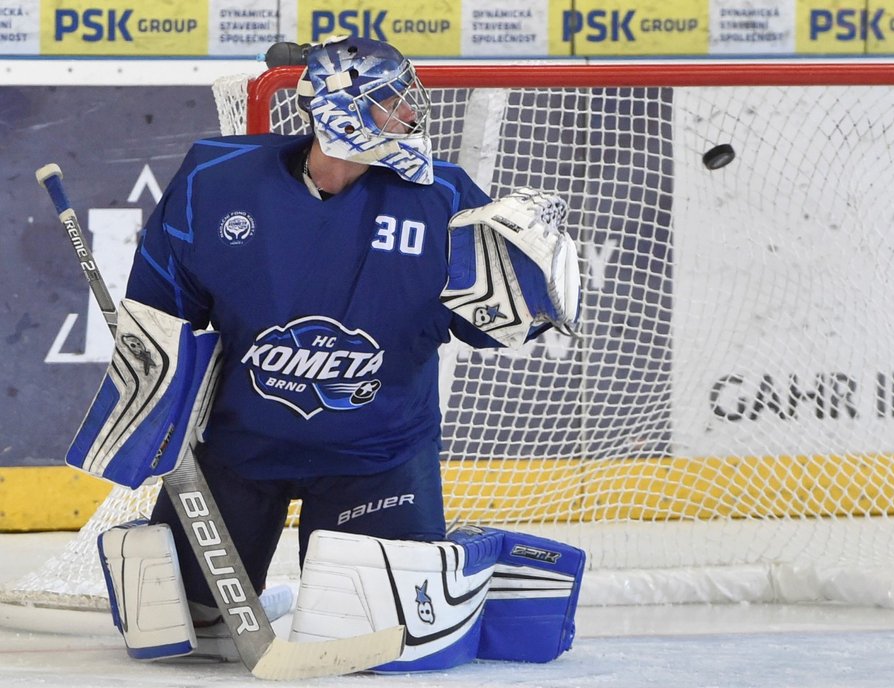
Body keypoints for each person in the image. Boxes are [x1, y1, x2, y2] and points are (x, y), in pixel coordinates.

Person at [86, 35, 584, 670]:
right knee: (177, 625)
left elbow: (492, 328)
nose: (409, 116)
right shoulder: (213, 181)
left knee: (385, 641)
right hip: (240, 451)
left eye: (409, 101)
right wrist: (151, 396)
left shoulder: (445, 198)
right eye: (389, 102)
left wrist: (537, 291)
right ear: (338, 109)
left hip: (375, 456)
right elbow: (164, 316)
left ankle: (471, 565)